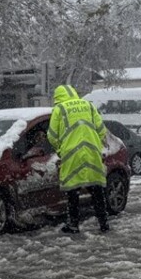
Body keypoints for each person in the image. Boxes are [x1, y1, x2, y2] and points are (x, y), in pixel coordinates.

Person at [47, 84, 109, 234]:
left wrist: (60, 150)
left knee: (73, 192)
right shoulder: (88, 105)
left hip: (71, 154)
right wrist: (97, 144)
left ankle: (73, 224)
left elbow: (52, 136)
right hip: (91, 152)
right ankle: (103, 223)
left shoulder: (59, 109)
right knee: (96, 190)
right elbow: (101, 130)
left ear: (58, 98)